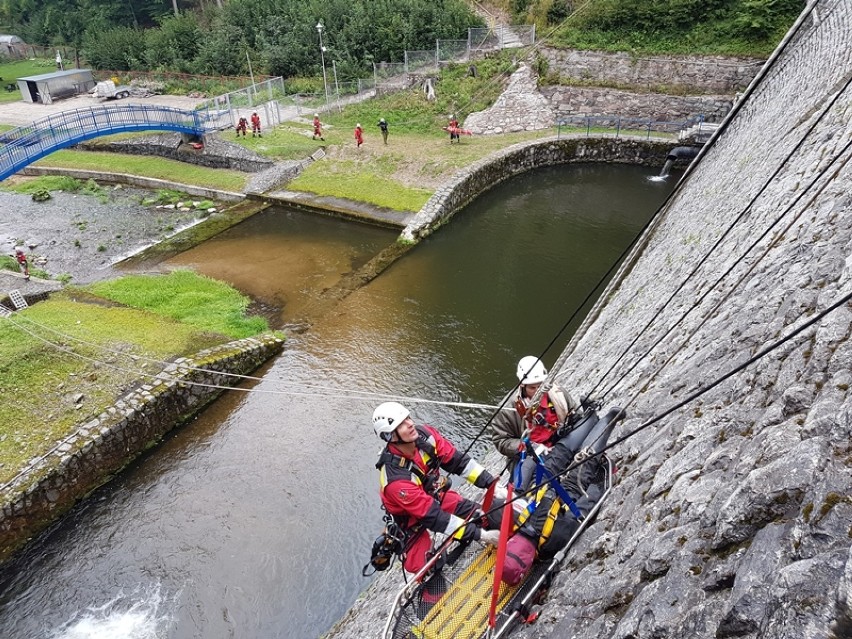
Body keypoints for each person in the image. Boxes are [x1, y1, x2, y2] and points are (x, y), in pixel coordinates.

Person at [373, 401, 503, 574]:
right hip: (410, 520)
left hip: (433, 497)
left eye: (408, 418)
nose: (410, 424)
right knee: (426, 567)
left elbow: (458, 462)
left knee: (483, 517)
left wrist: (491, 484)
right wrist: (480, 535)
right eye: (401, 424)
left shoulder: (426, 437)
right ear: (390, 436)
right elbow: (434, 517)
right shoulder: (396, 480)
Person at [492, 356, 580, 492]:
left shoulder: (558, 394)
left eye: (541, 386)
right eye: (533, 388)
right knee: (526, 490)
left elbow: (575, 414)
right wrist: (528, 446)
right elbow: (501, 440)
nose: (539, 391)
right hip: (528, 457)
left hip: (560, 445)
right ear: (522, 385)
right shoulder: (508, 410)